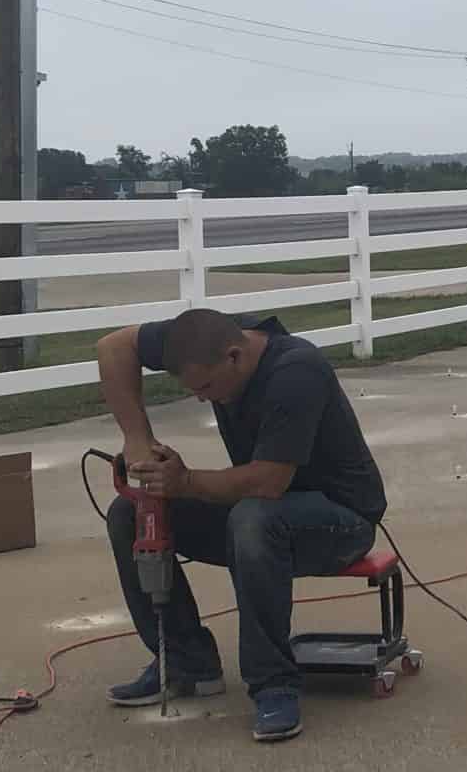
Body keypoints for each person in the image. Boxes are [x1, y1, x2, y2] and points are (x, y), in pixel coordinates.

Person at [95, 306, 386, 743]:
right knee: (131, 512)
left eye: (207, 386)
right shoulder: (202, 337)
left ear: (234, 356)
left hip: (340, 520)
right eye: (192, 389)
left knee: (254, 516)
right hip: (265, 513)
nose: (201, 397)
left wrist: (186, 481)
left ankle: (274, 685)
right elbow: (114, 346)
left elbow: (269, 483)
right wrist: (136, 437)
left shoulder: (295, 370)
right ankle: (186, 662)